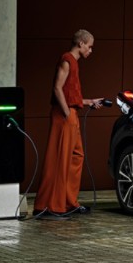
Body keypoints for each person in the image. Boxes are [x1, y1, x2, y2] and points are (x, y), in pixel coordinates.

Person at [34, 29, 104, 219]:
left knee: (76, 156)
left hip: (71, 113)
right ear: (81, 43)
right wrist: (66, 112)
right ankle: (50, 206)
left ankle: (67, 202)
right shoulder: (67, 60)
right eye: (90, 46)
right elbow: (57, 88)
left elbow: (70, 93)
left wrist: (89, 101)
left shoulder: (74, 63)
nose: (91, 50)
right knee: (60, 159)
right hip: (64, 115)